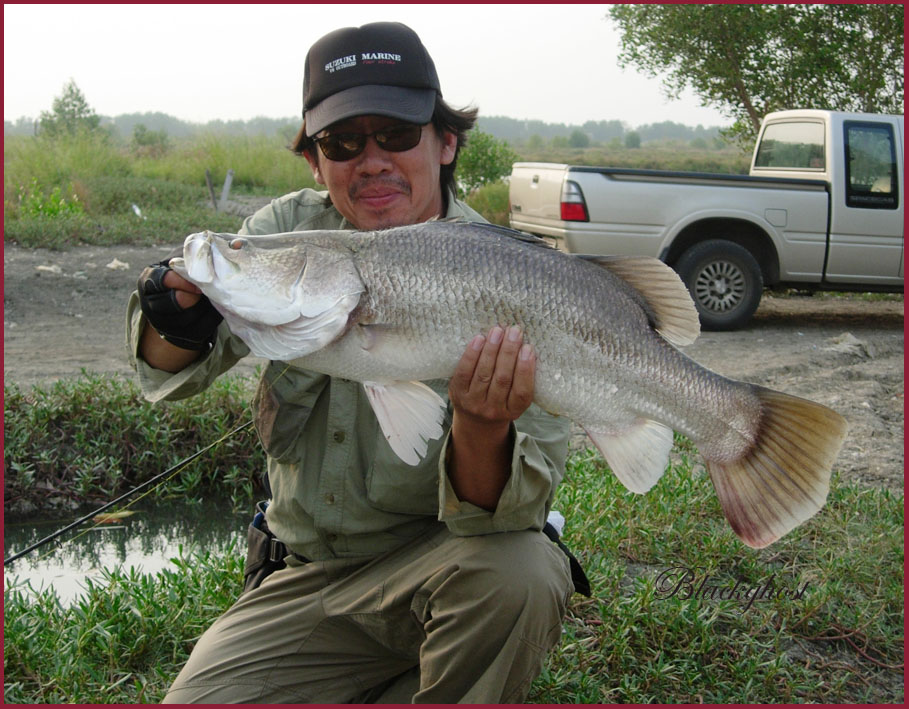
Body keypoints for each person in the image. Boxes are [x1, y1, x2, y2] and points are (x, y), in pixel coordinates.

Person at [127, 21, 575, 703]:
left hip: (447, 562)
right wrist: (173, 318)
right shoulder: (287, 233)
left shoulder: (513, 276)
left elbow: (498, 516)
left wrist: (482, 426)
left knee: (521, 570)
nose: (370, 161)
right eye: (341, 142)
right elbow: (173, 366)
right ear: (314, 159)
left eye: (396, 134)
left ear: (445, 141)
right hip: (306, 578)